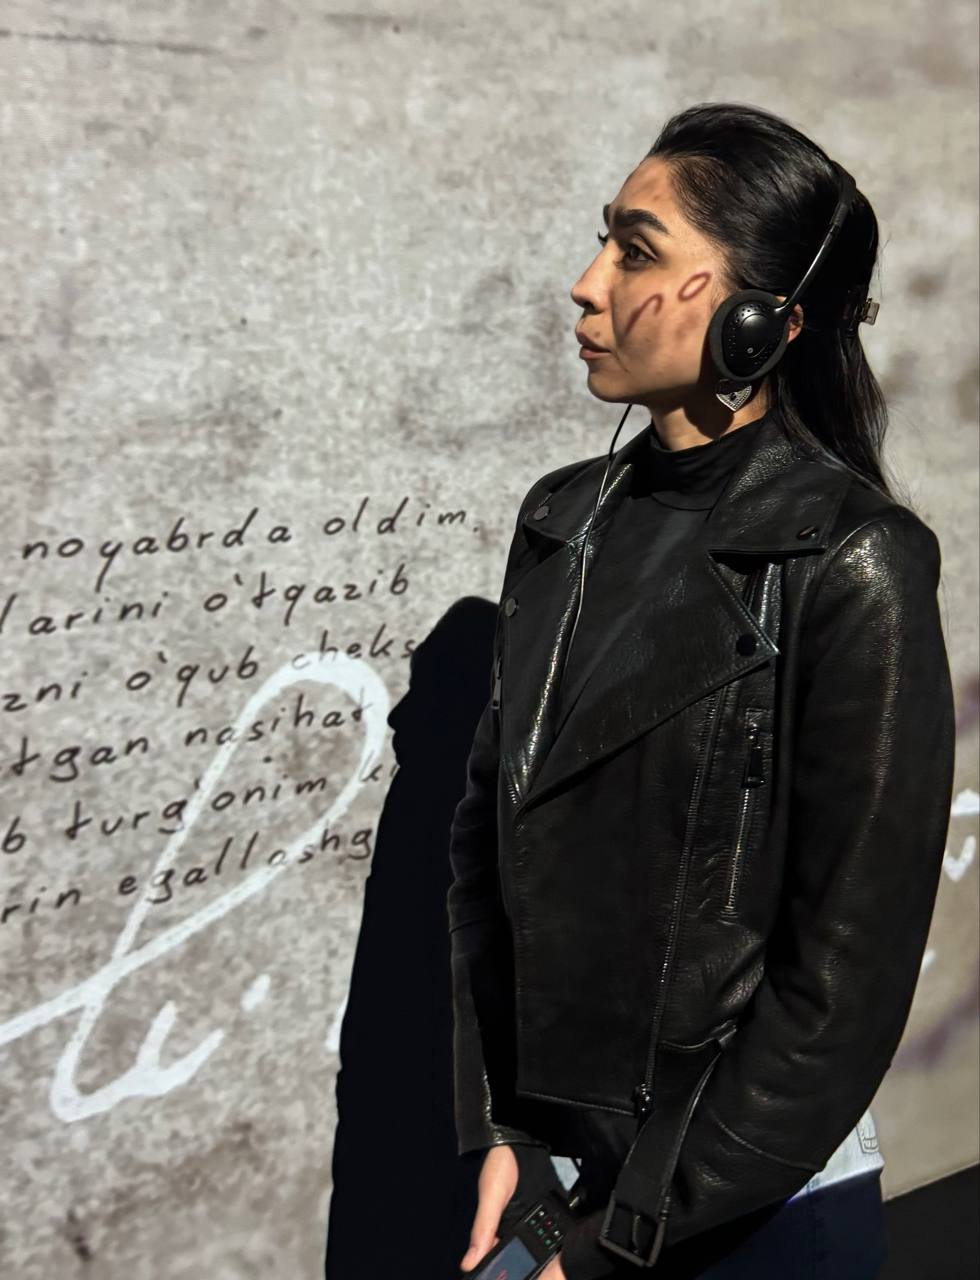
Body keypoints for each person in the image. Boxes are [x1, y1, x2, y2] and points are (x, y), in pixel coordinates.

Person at [446, 101, 955, 1280]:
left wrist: (623, 1231)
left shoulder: (850, 561)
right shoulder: (562, 522)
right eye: (603, 241)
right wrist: (504, 1123)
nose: (585, 285)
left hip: (742, 1198)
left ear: (757, 319)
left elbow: (840, 980)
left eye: (635, 251)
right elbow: (483, 842)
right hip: (566, 1171)